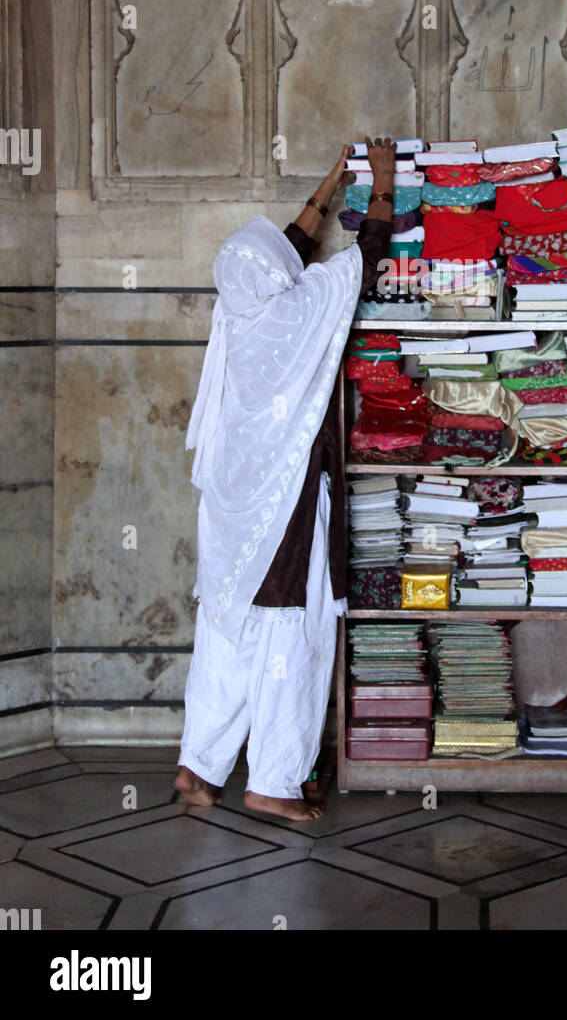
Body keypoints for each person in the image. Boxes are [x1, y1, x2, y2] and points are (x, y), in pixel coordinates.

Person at [174, 136, 395, 821]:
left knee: (223, 636)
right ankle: (273, 779)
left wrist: (332, 182)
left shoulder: (238, 314)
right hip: (287, 515)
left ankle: (198, 770)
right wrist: (380, 185)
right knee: (288, 637)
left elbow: (286, 249)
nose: (289, 259)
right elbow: (363, 260)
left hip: (229, 521)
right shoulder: (295, 313)